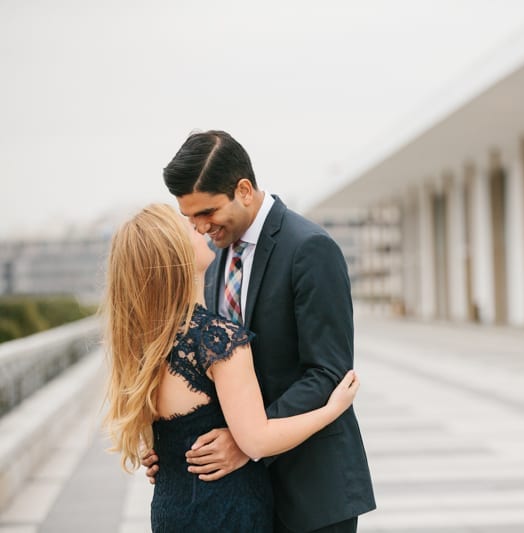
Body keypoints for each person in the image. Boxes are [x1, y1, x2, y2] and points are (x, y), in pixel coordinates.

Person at [144, 130, 376, 533]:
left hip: (313, 493)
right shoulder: (213, 262)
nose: (199, 228)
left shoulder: (310, 249)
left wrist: (247, 440)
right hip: (245, 499)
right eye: (190, 218)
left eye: (207, 212)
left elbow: (327, 372)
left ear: (245, 190)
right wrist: (174, 446)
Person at [103, 204, 360, 532]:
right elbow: (257, 442)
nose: (199, 228)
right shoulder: (216, 338)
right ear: (176, 256)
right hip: (226, 510)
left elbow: (166, 436)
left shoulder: (147, 347)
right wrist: (332, 409)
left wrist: (162, 456)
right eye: (187, 228)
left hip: (173, 511)